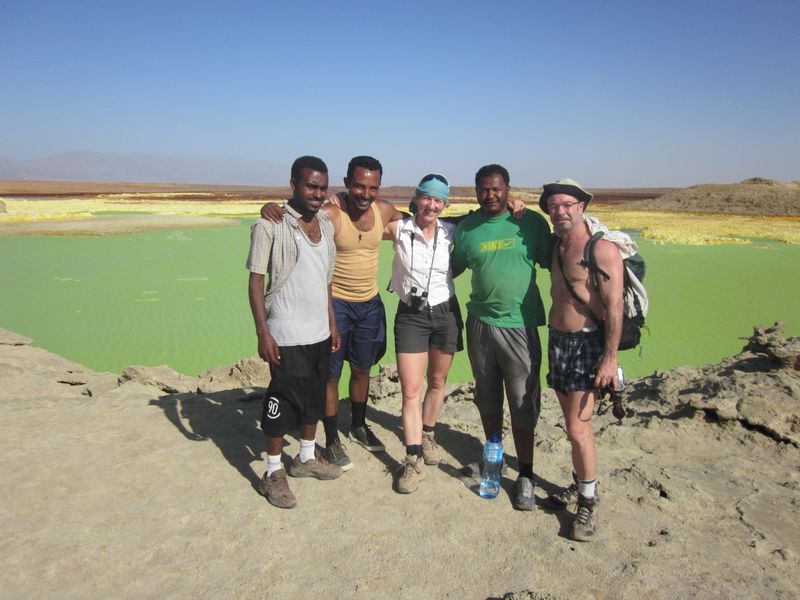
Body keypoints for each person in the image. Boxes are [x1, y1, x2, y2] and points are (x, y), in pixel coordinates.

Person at [261, 156, 404, 470]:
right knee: (330, 377)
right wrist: (271, 207)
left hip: (369, 305)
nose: (365, 194)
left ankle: (358, 425)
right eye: (359, 186)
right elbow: (300, 213)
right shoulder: (332, 215)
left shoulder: (383, 210)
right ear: (347, 183)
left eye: (372, 188)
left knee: (363, 370)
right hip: (336, 304)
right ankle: (331, 439)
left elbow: (418, 218)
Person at [451, 164, 551, 511]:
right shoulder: (467, 229)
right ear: (475, 191)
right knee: (487, 398)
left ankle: (526, 473)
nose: (490, 195)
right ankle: (494, 456)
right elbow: (450, 267)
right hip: (480, 323)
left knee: (523, 403)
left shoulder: (532, 223)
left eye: (496, 189)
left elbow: (558, 261)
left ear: (508, 189)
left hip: (520, 327)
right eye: (483, 189)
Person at [246, 156, 344, 509]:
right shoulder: (270, 226)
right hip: (285, 332)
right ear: (293, 185)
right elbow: (256, 282)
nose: (317, 194)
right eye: (310, 186)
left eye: (322, 187)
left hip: (318, 332)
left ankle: (305, 457)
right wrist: (263, 333)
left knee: (313, 397)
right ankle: (272, 471)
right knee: (281, 401)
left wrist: (332, 323)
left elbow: (326, 281)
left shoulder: (326, 225)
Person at [540, 178, 623, 541]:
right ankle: (580, 483)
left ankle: (587, 502)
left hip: (588, 345)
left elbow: (615, 307)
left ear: (582, 206)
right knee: (570, 425)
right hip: (557, 341)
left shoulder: (601, 250)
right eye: (554, 206)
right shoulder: (557, 245)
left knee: (578, 429)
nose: (560, 211)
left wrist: (609, 358)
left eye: (567, 205)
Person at [386, 174, 463, 493]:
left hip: (446, 312)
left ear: (445, 204)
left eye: (438, 200)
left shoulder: (452, 231)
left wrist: (516, 206)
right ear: (416, 198)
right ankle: (412, 459)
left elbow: (487, 220)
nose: (431, 205)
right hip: (411, 316)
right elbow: (365, 214)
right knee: (410, 390)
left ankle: (428, 434)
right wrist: (336, 200)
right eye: (426, 197)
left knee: (438, 381)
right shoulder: (399, 229)